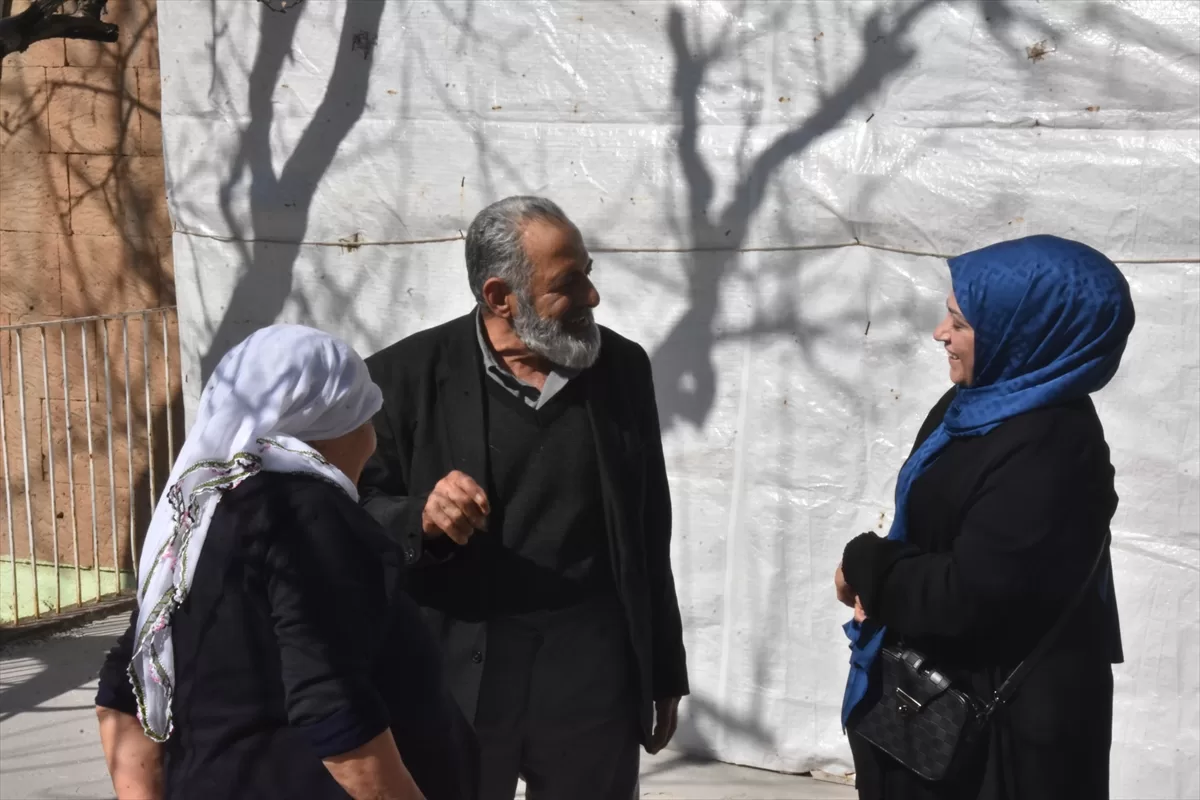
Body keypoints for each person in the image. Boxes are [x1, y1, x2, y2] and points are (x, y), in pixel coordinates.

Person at [359, 195, 689, 799]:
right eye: (569, 283)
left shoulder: (622, 369)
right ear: (499, 297)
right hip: (459, 681)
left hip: (592, 683)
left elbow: (648, 527)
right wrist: (420, 517)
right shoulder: (399, 379)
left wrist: (662, 666)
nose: (592, 296)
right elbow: (352, 516)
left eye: (588, 273)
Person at [94, 324, 477, 800]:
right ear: (331, 424)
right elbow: (333, 711)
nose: (372, 439)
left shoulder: (198, 518)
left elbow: (121, 695)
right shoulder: (310, 519)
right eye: (365, 417)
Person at [834, 234, 1135, 800]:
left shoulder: (1052, 447)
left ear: (1026, 331)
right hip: (933, 708)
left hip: (1000, 746)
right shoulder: (976, 407)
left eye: (960, 322)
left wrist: (864, 563)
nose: (939, 334)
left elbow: (970, 593)